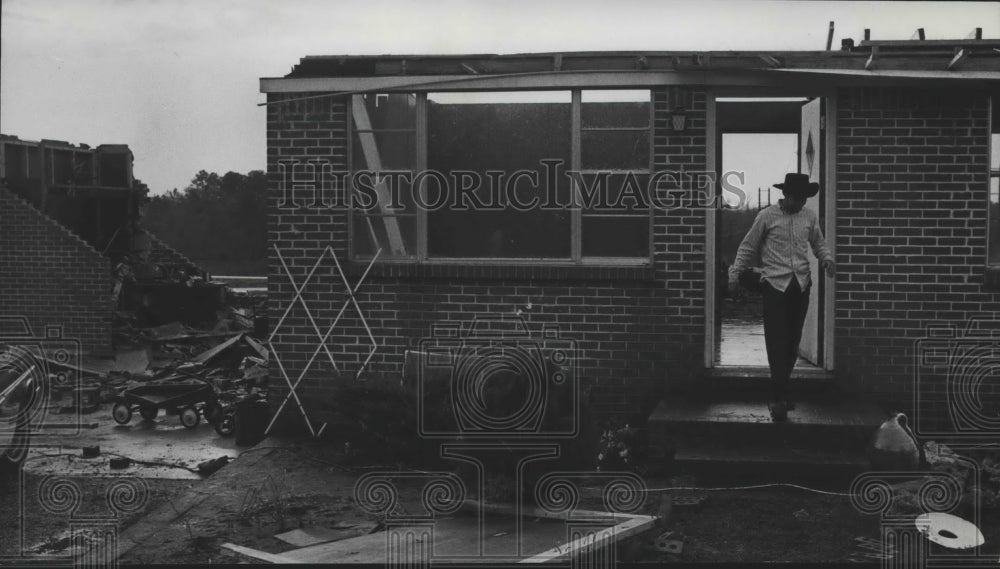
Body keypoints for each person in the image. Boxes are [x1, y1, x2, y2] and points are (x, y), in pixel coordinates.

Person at [727, 173, 836, 421]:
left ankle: (782, 389)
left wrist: (827, 259)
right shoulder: (766, 216)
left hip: (801, 285)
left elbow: (818, 242)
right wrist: (734, 275)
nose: (800, 203)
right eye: (797, 198)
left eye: (804, 199)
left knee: (793, 341)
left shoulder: (808, 216)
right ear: (786, 195)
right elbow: (748, 246)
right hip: (774, 286)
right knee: (777, 340)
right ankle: (778, 396)